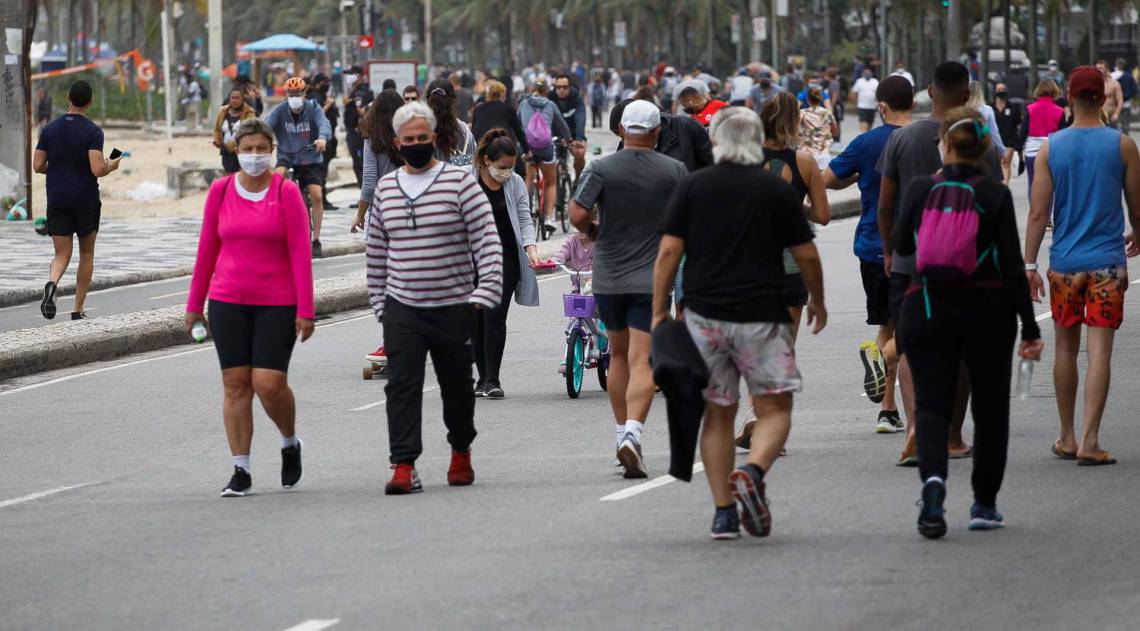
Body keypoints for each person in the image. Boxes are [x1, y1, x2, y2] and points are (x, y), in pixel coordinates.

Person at [653, 106, 825, 540]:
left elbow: (669, 252)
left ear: (716, 141)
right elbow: (805, 253)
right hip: (762, 316)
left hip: (704, 317)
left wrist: (658, 310)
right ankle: (752, 471)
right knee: (774, 409)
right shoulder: (775, 190)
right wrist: (818, 300)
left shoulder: (692, 186)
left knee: (717, 415)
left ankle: (724, 513)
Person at [894, 107, 1043, 539]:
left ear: (944, 144)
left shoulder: (923, 189)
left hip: (924, 307)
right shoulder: (994, 195)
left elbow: (902, 242)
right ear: (983, 150)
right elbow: (1013, 267)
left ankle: (934, 484)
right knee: (991, 408)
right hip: (987, 310)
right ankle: (983, 503)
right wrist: (1029, 328)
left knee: (934, 404)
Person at [365, 100, 503, 495]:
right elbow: (376, 252)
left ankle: (461, 450)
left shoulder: (460, 184)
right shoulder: (387, 189)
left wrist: (485, 292)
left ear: (435, 139)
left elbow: (488, 241)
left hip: (453, 305)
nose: (416, 144)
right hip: (402, 307)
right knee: (402, 387)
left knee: (457, 386)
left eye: (423, 138)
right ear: (396, 143)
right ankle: (403, 464)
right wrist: (380, 304)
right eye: (409, 140)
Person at [184, 119, 315, 497]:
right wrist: (195, 305)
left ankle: (290, 442)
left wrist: (305, 309)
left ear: (271, 150)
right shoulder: (221, 191)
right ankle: (240, 469)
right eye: (248, 148)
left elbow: (300, 255)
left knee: (268, 384)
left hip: (277, 302)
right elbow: (207, 248)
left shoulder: (286, 192)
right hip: (228, 301)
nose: (255, 155)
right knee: (236, 385)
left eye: (262, 148)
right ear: (234, 150)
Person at [877, 61, 996, 466]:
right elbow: (992, 203)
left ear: (929, 90)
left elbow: (886, 203)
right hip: (965, 265)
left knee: (910, 346)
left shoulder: (903, 139)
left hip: (909, 262)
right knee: (960, 349)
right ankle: (952, 436)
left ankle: (915, 427)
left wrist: (890, 252)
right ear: (967, 95)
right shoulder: (978, 140)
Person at [1024, 65, 1140, 467]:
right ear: (1102, 98)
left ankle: (1068, 436)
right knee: (1100, 352)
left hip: (1065, 265)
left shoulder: (1051, 148)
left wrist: (1028, 265)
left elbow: (1039, 215)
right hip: (1108, 263)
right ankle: (1091, 439)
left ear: (1069, 99)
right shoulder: (1123, 146)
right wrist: (1137, 234)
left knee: (1066, 349)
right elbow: (1136, 207)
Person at [569, 100, 688, 479]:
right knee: (643, 359)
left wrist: (595, 233)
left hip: (608, 277)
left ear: (620, 131)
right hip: (652, 279)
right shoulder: (674, 170)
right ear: (656, 133)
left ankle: (621, 433)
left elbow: (576, 215)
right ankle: (634, 435)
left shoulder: (601, 168)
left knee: (617, 355)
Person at [824, 75, 913, 434]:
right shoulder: (923, 140)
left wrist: (859, 176)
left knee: (886, 325)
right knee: (908, 330)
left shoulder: (866, 142)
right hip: (913, 248)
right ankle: (887, 388)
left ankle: (888, 410)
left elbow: (828, 179)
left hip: (872, 248)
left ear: (881, 106)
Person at [33, 80, 121, 321]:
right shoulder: (93, 131)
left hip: (58, 198)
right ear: (90, 102)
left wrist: (58, 168)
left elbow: (38, 165)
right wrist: (110, 167)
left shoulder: (49, 129)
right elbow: (96, 169)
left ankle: (52, 283)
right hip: (85, 199)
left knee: (62, 254)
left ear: (68, 100)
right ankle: (77, 309)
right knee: (86, 253)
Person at [470, 129, 541, 399]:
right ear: (487, 160)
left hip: (506, 258)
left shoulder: (515, 183)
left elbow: (524, 219)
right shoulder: (466, 179)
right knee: (475, 319)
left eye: (511, 167)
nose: (507, 172)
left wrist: (531, 248)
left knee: (495, 316)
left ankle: (492, 379)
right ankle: (481, 377)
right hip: (471, 259)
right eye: (502, 167)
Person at [760, 93, 830, 339]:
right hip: (791, 265)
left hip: (749, 265)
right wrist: (796, 208)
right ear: (796, 121)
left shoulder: (744, 159)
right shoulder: (805, 161)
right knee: (783, 352)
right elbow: (822, 215)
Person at [353, 89, 406, 368]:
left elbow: (369, 181)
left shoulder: (372, 139)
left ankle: (392, 343)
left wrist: (360, 215)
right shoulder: (408, 139)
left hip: (383, 217)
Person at [265, 76, 331, 257]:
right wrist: (262, 140)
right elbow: (266, 126)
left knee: (316, 194)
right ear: (286, 94)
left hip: (310, 156)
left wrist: (322, 138)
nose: (294, 97)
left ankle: (316, 239)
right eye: (291, 94)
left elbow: (323, 124)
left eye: (298, 93)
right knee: (277, 179)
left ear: (304, 94)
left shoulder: (314, 108)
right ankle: (277, 224)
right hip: (286, 154)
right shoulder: (279, 110)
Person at [518, 77, 572, 237]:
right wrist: (569, 140)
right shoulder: (550, 105)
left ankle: (525, 214)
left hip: (528, 147)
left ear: (532, 89)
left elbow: (518, 123)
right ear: (547, 91)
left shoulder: (523, 103)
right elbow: (562, 125)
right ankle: (548, 218)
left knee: (529, 177)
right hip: (546, 146)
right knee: (550, 182)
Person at [1024, 79, 1065, 198]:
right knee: (1050, 184)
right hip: (1051, 151)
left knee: (1032, 181)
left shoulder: (1030, 109)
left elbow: (1023, 132)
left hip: (1032, 151)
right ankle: (1047, 214)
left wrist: (1017, 148)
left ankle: (1034, 211)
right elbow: (1062, 135)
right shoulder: (1060, 111)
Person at [424, 79, 478, 167]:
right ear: (454, 99)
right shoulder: (464, 130)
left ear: (427, 99)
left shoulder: (419, 129)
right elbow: (474, 162)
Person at [311, 74, 341, 210]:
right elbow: (315, 117)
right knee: (320, 171)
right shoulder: (315, 97)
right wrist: (328, 105)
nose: (327, 85)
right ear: (317, 83)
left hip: (329, 139)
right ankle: (320, 199)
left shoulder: (323, 96)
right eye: (324, 82)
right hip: (320, 140)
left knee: (324, 170)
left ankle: (323, 198)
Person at [552, 74, 589, 179]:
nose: (561, 90)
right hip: (555, 135)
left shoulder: (577, 99)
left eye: (565, 87)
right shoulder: (550, 97)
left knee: (580, 154)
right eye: (558, 87)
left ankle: (577, 179)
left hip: (573, 134)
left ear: (570, 87)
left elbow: (580, 119)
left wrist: (579, 138)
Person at [212, 87, 256, 173]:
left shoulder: (250, 113)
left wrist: (232, 145)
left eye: (237, 98)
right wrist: (217, 140)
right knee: (229, 176)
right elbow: (217, 129)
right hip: (226, 152)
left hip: (242, 151)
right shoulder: (223, 111)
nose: (235, 100)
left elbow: (249, 132)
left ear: (243, 99)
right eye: (233, 98)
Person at [343, 68, 374, 187]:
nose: (349, 77)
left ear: (359, 76)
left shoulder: (362, 92)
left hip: (358, 134)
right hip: (353, 133)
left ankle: (366, 196)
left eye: (351, 74)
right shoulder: (354, 91)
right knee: (358, 164)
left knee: (361, 165)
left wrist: (351, 101)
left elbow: (361, 110)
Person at [798, 86, 838, 169]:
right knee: (821, 180)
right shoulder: (828, 114)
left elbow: (794, 131)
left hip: (805, 153)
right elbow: (835, 132)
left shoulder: (802, 113)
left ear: (808, 99)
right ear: (821, 99)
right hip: (823, 153)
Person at [993, 83, 1023, 185]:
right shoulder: (990, 108)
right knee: (996, 165)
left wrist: (1019, 144)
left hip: (1009, 140)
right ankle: (997, 185)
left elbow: (1019, 124)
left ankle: (1005, 187)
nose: (1001, 91)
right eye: (999, 89)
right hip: (994, 140)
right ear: (995, 91)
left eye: (1003, 89)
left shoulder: (1013, 107)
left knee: (1005, 163)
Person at [966, 81, 1006, 160]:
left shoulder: (962, 110)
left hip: (966, 149)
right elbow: (993, 132)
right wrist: (1002, 150)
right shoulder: (987, 110)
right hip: (984, 149)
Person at [1096, 60, 1124, 129]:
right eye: (1097, 69)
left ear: (1107, 69)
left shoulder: (1114, 84)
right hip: (1096, 117)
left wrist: (1116, 114)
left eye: (1101, 68)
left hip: (1110, 117)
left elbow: (1120, 100)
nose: (1098, 70)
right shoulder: (1093, 83)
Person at [851, 68, 880, 132]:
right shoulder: (859, 81)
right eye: (866, 73)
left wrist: (878, 103)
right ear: (863, 74)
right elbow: (854, 93)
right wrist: (855, 104)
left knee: (870, 124)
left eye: (869, 73)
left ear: (871, 74)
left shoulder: (875, 81)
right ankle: (863, 136)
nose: (867, 74)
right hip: (862, 106)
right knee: (864, 124)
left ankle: (866, 137)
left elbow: (878, 93)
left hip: (872, 107)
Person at [1112, 59, 1137, 132]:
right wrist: (1134, 100)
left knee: (1114, 125)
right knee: (1125, 125)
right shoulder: (1129, 76)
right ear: (1123, 65)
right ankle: (1125, 141)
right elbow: (1134, 90)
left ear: (1116, 65)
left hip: (1115, 104)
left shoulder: (1111, 76)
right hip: (1126, 104)